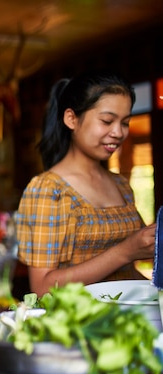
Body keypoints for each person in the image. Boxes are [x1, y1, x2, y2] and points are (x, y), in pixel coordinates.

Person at [15, 69, 155, 296]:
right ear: (71, 119)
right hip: (81, 325)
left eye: (125, 122)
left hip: (130, 319)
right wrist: (125, 252)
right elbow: (42, 288)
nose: (118, 132)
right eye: (107, 121)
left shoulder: (121, 185)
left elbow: (132, 263)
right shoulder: (49, 190)